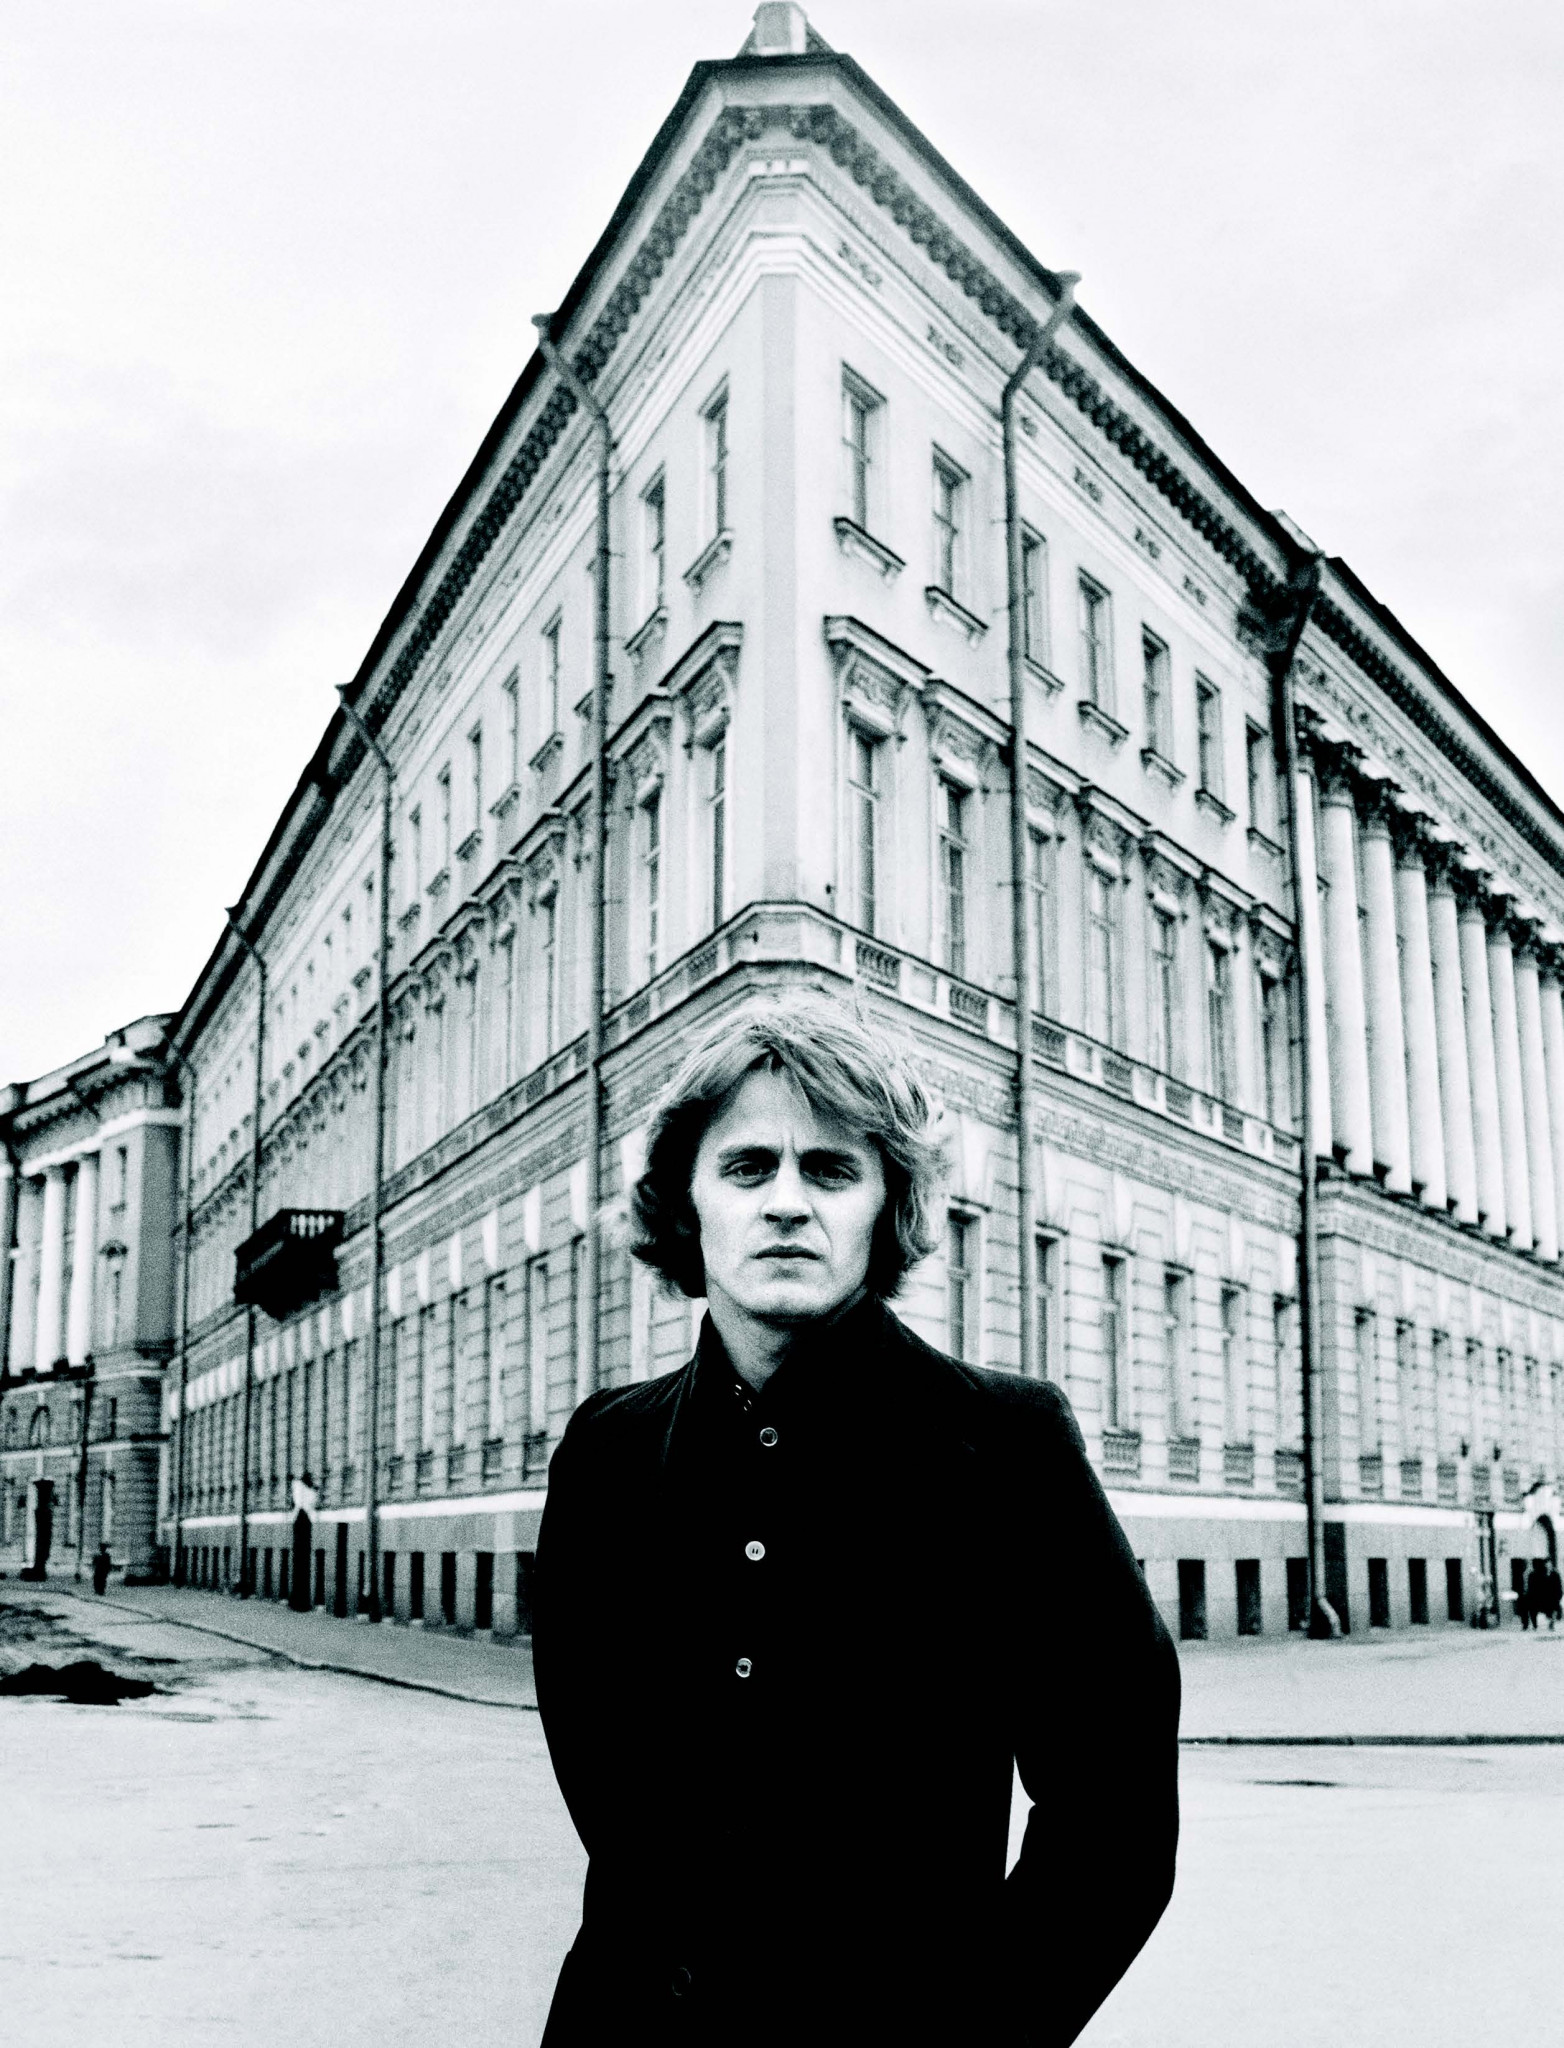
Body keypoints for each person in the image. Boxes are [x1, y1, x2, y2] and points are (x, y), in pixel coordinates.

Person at [534, 995, 1181, 2046]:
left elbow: (1115, 1827)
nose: (787, 1203)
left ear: (887, 1205)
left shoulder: (1008, 1447)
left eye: (832, 1170)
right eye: (748, 1167)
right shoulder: (605, 1452)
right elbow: (605, 1792)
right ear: (687, 1201)